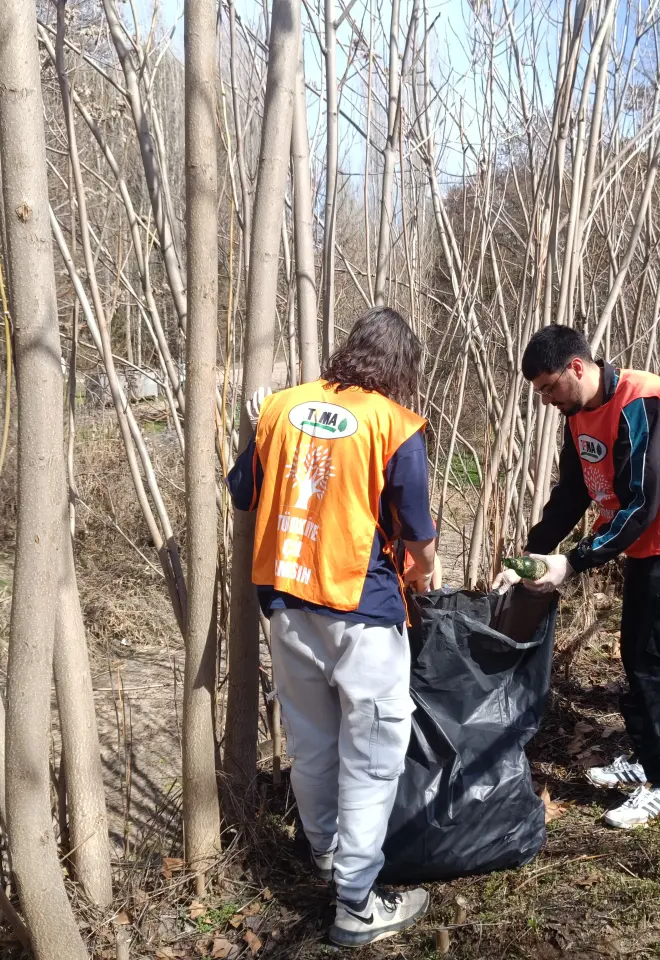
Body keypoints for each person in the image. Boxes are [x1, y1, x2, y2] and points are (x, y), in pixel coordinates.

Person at [228, 307, 438, 947]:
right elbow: (418, 534)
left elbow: (242, 492)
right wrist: (424, 579)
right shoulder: (394, 424)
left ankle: (323, 853)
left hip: (287, 605)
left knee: (314, 742)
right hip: (362, 612)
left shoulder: (282, 407)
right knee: (372, 756)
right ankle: (355, 904)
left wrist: (258, 428)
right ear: (400, 368)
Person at [491, 325, 660, 829]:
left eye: (549, 387)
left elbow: (641, 504)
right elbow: (573, 493)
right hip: (650, 539)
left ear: (576, 367)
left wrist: (572, 562)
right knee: (636, 652)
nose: (546, 400)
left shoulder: (643, 403)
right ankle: (648, 760)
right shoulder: (579, 412)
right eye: (539, 392)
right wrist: (531, 554)